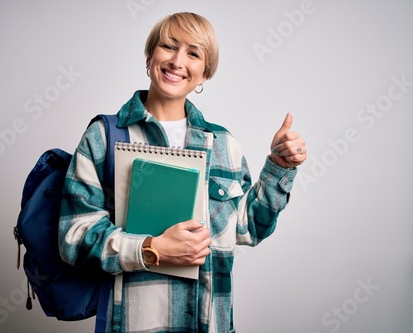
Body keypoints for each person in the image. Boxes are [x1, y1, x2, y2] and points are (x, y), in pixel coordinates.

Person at [59, 12, 307, 333]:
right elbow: (73, 238)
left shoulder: (223, 144)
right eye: (168, 46)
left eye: (193, 53)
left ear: (204, 74)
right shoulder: (105, 136)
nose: (177, 61)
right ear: (150, 57)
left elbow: (249, 228)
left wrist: (280, 167)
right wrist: (151, 249)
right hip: (135, 324)